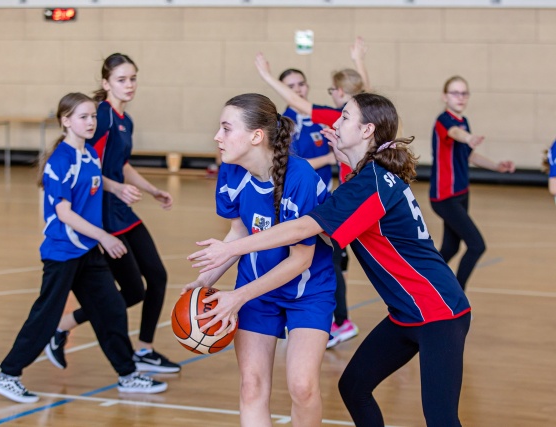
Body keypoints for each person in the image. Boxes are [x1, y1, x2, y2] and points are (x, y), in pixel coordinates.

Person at [189, 93, 472, 427]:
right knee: (354, 388)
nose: (335, 122)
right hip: (407, 312)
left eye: (345, 117)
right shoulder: (367, 177)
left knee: (441, 419)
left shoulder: (371, 183)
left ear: (367, 130)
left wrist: (231, 250)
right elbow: (325, 229)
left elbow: (303, 229)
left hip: (438, 310)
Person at [0, 93, 166, 404]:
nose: (91, 122)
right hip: (63, 252)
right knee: (45, 317)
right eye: (83, 117)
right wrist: (104, 237)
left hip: (87, 251)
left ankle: (128, 375)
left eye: (93, 116)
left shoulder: (88, 154)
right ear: (65, 121)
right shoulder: (60, 161)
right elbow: (64, 213)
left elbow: (95, 179)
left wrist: (118, 188)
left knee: (112, 309)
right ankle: (8, 375)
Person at [183, 93, 337, 427]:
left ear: (256, 136)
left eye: (226, 128)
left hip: (307, 291)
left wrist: (237, 297)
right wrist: (204, 282)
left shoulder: (301, 178)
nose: (217, 137)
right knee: (251, 386)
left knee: (303, 387)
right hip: (256, 291)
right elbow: (237, 235)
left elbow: (300, 260)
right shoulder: (230, 172)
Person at [44, 54, 181, 374]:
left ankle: (144, 349)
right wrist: (116, 189)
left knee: (156, 277)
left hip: (121, 210)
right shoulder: (101, 117)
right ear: (106, 83)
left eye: (133, 78)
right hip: (102, 213)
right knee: (133, 291)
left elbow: (121, 165)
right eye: (121, 79)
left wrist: (152, 190)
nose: (129, 85)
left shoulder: (125, 120)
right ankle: (62, 325)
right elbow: (88, 167)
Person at [277, 66, 359, 348]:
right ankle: (309, 317)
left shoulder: (323, 116)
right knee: (301, 258)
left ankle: (339, 320)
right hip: (300, 205)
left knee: (332, 261)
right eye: (291, 86)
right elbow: (288, 166)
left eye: (301, 83)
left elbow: (362, 97)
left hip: (328, 202)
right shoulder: (284, 124)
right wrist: (327, 159)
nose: (298, 89)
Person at [430, 76, 515, 290]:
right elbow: (455, 133)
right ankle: (458, 296)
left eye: (464, 93)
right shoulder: (444, 120)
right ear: (445, 97)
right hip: (445, 197)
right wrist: (468, 138)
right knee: (477, 245)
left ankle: (424, 284)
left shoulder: (464, 121)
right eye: (455, 93)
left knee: (450, 248)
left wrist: (496, 166)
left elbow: (470, 156)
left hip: (461, 194)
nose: (460, 97)